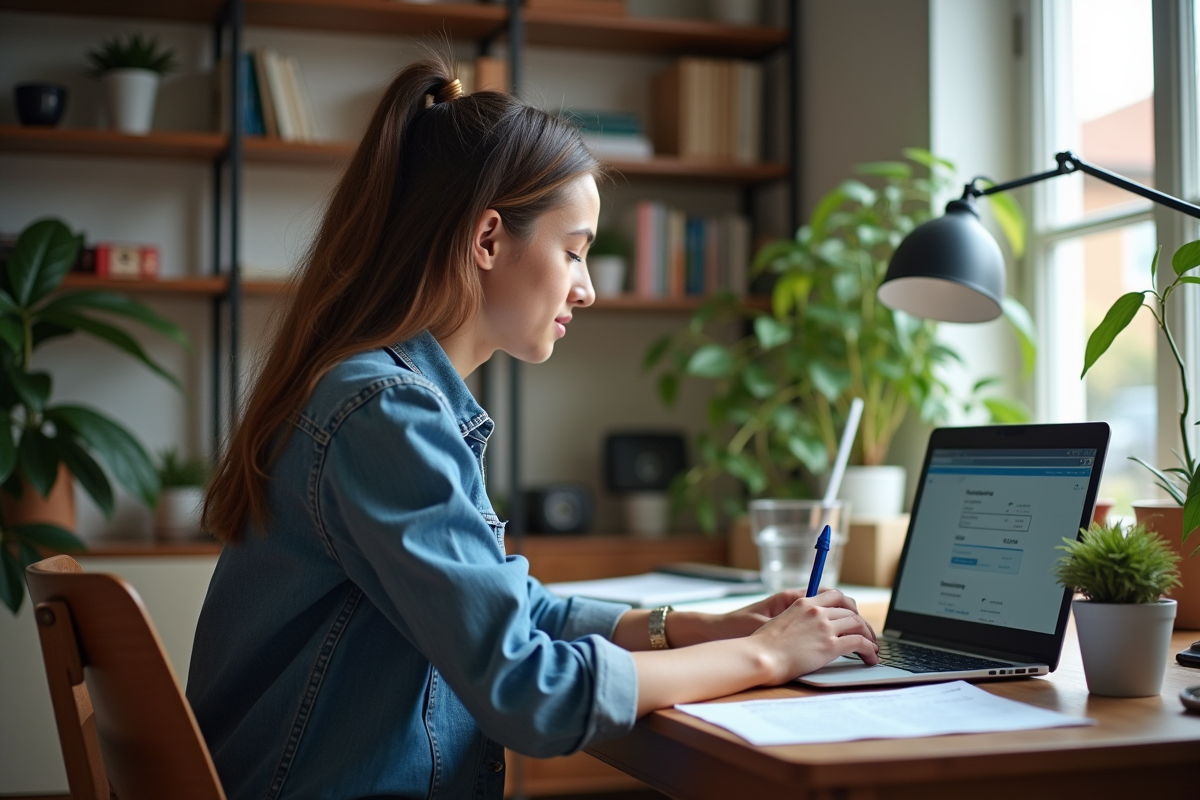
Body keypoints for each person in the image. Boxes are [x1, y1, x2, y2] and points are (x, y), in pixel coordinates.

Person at [187, 55, 879, 800]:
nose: (584, 288)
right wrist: (767, 658)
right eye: (574, 249)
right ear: (487, 240)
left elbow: (516, 616)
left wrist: (695, 629)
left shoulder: (381, 396)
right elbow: (530, 691)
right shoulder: (386, 411)